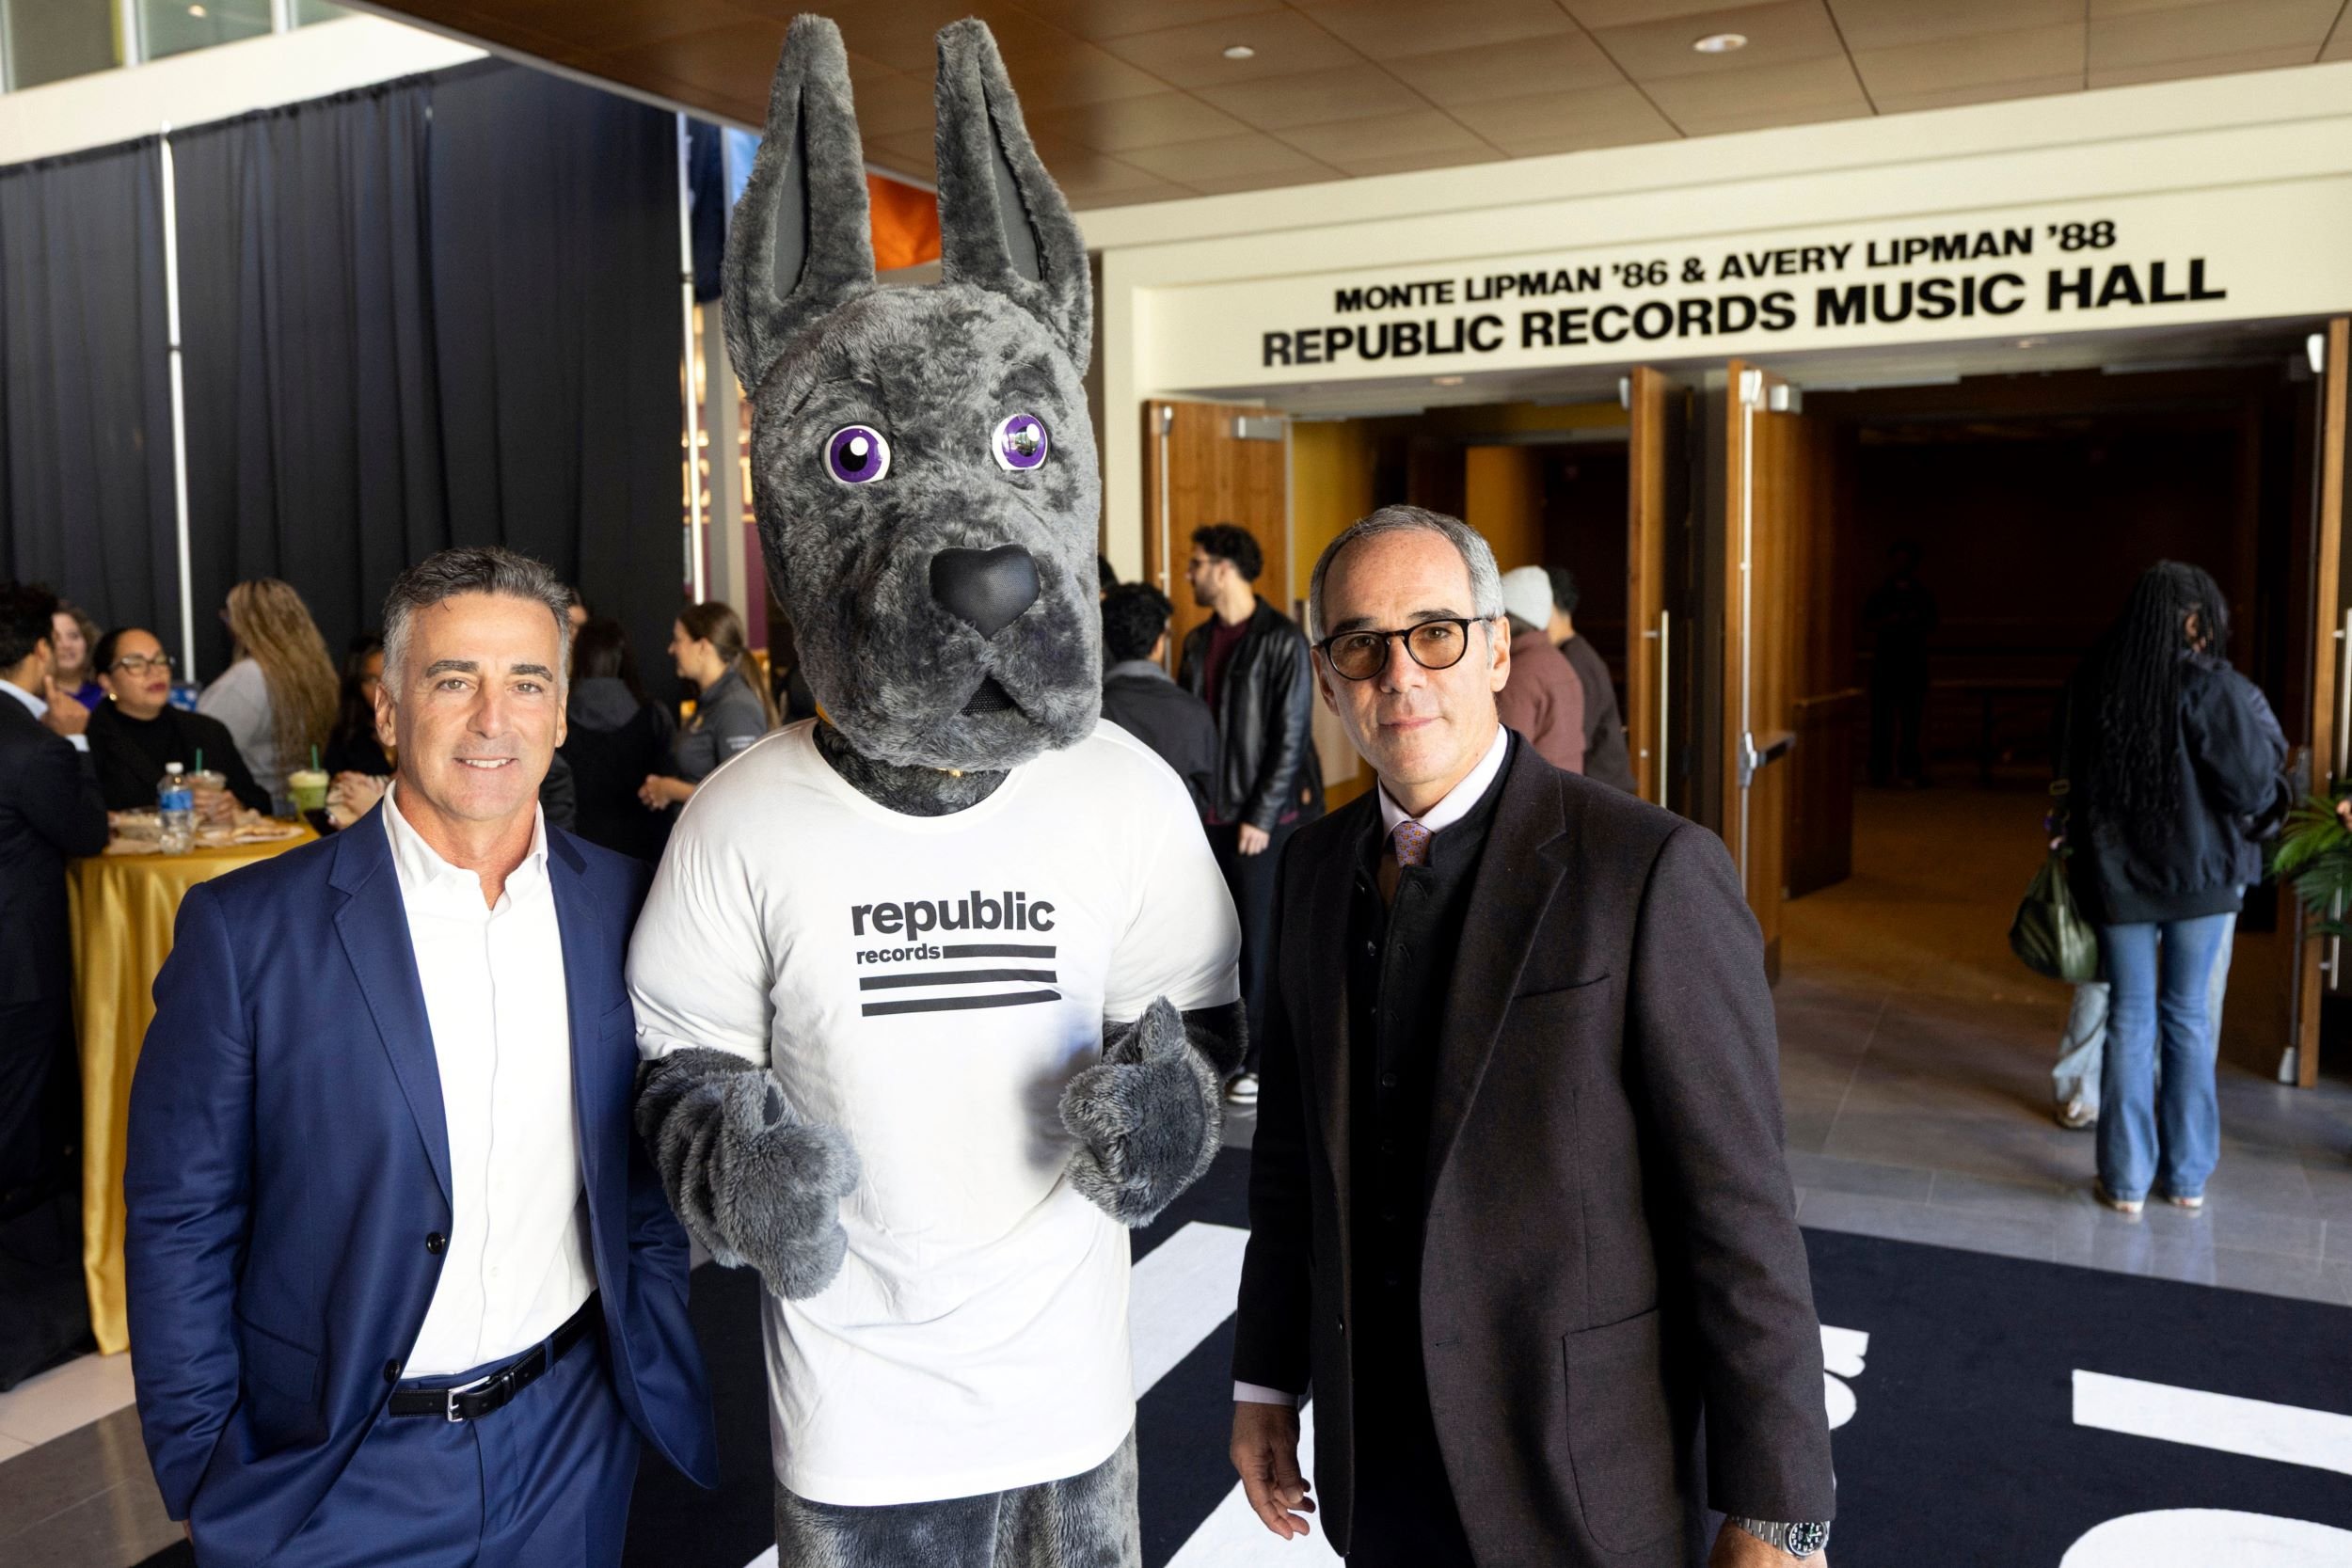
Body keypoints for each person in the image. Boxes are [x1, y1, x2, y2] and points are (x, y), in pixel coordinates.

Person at [1230, 505, 1836, 1568]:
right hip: (1376, 1464)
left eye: (1434, 633)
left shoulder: (1648, 870)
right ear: (1325, 678)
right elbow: (1290, 1162)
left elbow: (1739, 1209)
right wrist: (1266, 1379)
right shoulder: (1313, 869)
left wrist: (1777, 1511)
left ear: (1498, 650)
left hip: (1576, 1475)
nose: (1400, 674)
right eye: (1360, 644)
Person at [123, 546, 717, 1566]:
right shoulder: (245, 932)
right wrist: (204, 1465)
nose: (493, 718)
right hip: (340, 1472)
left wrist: (648, 1317)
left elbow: (640, 1174)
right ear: (389, 711)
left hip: (572, 1441)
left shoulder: (627, 906)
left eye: (526, 682)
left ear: (560, 714)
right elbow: (181, 1218)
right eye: (453, 680)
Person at [2058, 561, 2288, 1214]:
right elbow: (2252, 787)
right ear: (2193, 620)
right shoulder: (2212, 687)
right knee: (2187, 1018)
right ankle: (2186, 1179)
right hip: (2204, 881)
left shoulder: (2095, 685)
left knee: (2129, 1018)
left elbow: (2066, 779)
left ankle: (2125, 1182)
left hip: (2120, 881)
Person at [1181, 522, 1321, 1105]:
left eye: (1196, 563)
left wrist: (1261, 815)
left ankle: (1261, 1062)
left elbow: (1291, 737)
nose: (1189, 573)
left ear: (1224, 568)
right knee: (1210, 939)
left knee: (1259, 942)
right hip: (1207, 815)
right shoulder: (1195, 641)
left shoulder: (1281, 640)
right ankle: (1219, 1052)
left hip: (1261, 820)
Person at [0, 583, 108, 1207]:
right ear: (41, 650)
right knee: (19, 1121)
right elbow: (86, 834)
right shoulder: (34, 744)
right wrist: (77, 741)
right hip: (18, 961)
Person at [84, 628, 269, 817]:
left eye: (160, 660)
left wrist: (236, 805)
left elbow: (260, 801)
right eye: (136, 663)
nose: (154, 671)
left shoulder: (206, 731)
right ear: (107, 682)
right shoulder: (89, 739)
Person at [199, 578, 338, 812]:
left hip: (257, 812)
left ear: (246, 623)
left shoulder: (248, 677)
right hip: (303, 805)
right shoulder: (317, 673)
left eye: (229, 617)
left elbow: (205, 747)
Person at [637, 601, 773, 812]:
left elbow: (742, 796)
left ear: (702, 647)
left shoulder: (735, 709)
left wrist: (670, 789)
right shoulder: (712, 700)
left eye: (678, 640)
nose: (671, 649)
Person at [561, 617, 675, 864]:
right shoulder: (654, 715)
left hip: (578, 855)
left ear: (579, 657)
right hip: (646, 854)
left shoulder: (558, 719)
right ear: (624, 658)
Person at [1100, 582, 1216, 815]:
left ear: (1105, 640)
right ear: (1159, 643)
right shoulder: (1195, 713)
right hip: (1177, 833)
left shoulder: (1091, 715)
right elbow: (1206, 796)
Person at [1543, 564, 1638, 793]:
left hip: (1604, 789)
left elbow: (1574, 735)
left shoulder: (1576, 661)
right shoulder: (1572, 653)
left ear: (1548, 604)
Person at [1493, 564, 1587, 773]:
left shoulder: (1518, 674)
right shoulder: (1557, 660)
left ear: (1506, 621)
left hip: (1536, 789)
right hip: (1563, 785)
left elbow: (1505, 757)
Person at [1863, 542, 1937, 787]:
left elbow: (1932, 623)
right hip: (1886, 665)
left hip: (1912, 665)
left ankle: (1910, 770)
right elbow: (1867, 621)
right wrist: (1888, 622)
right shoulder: (1881, 594)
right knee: (1881, 723)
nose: (1901, 565)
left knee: (1911, 724)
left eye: (1905, 560)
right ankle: (1879, 770)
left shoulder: (1922, 595)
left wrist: (1911, 622)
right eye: (1897, 560)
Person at [52, 600, 103, 711]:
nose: (66, 645)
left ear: (87, 641)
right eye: (55, 639)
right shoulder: (32, 700)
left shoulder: (109, 690)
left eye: (73, 636)